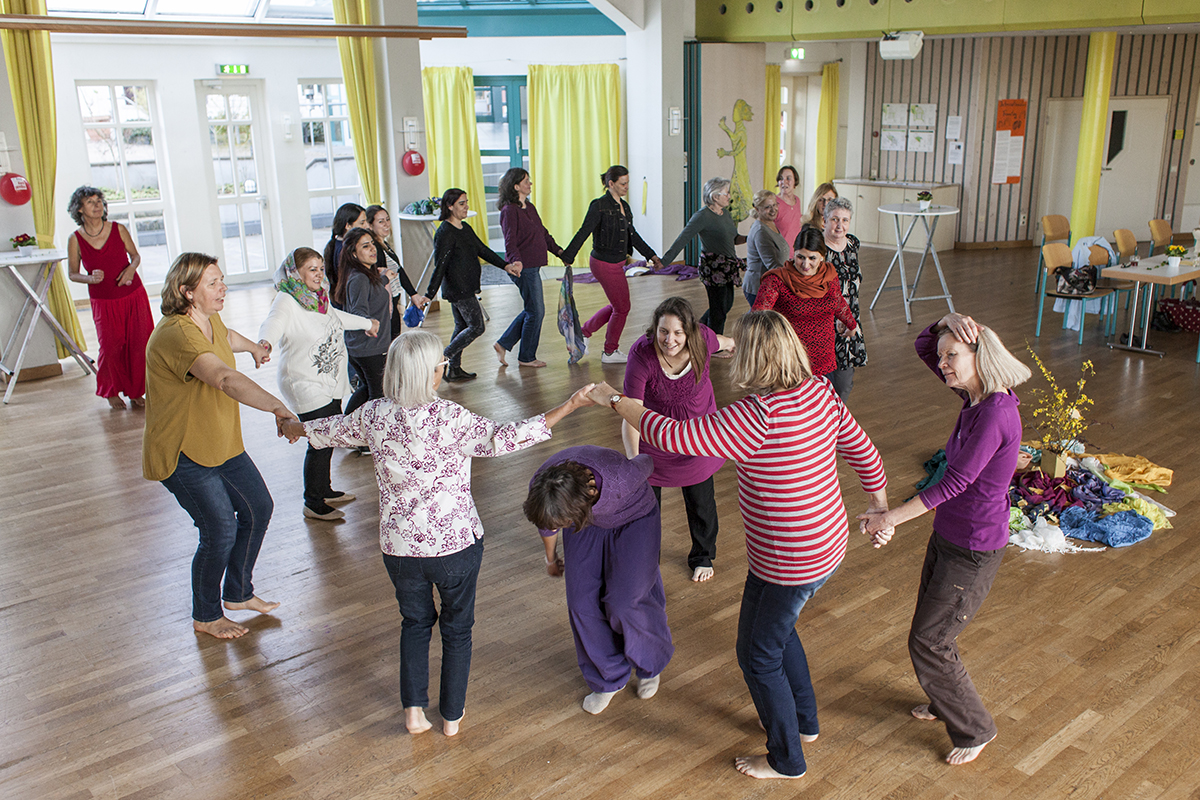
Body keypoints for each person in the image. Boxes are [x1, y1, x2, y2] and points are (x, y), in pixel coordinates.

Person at [586, 309, 889, 781]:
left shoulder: (757, 417)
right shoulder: (819, 391)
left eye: (739, 350)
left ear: (754, 357)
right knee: (778, 634)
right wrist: (880, 509)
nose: (729, 356)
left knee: (757, 656)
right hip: (825, 545)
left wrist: (612, 399)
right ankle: (804, 723)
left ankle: (787, 758)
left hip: (791, 560)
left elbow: (673, 434)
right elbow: (865, 453)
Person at [280, 330, 596, 736]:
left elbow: (330, 430)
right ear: (432, 373)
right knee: (457, 628)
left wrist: (295, 426)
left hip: (400, 550)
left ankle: (414, 712)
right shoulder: (451, 418)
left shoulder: (373, 415)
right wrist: (570, 404)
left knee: (414, 623)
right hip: (456, 548)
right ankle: (451, 717)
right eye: (441, 365)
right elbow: (505, 438)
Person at [859, 312, 1031, 767]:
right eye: (944, 358)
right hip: (950, 536)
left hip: (973, 549)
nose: (943, 365)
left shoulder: (995, 412)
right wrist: (945, 322)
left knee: (929, 640)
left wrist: (889, 517)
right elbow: (922, 345)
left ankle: (976, 728)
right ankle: (944, 699)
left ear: (978, 354)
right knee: (934, 632)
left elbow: (952, 483)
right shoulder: (973, 394)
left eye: (952, 356)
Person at [143, 253, 297, 640]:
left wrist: (253, 348)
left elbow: (225, 337)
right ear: (186, 292)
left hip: (220, 441)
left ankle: (239, 594)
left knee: (258, 507)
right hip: (183, 450)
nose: (222, 287)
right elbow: (225, 379)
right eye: (212, 283)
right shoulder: (176, 334)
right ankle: (206, 615)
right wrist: (277, 406)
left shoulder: (208, 319)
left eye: (222, 280)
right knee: (218, 529)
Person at [524, 446, 675, 715]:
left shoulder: (620, 478)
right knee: (581, 602)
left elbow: (646, 461)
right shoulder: (543, 487)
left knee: (626, 601)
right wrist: (551, 559)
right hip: (586, 521)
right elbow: (548, 524)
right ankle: (609, 678)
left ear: (590, 495)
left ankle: (649, 664)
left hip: (635, 516)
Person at [256, 247, 379, 520]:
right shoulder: (287, 300)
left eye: (321, 268)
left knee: (328, 434)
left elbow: (336, 317)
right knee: (319, 438)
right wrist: (264, 344)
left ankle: (324, 489)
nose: (319, 274)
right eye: (312, 269)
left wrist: (365, 323)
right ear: (295, 272)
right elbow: (273, 323)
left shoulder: (318, 297)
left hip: (327, 379)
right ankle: (313, 502)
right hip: (303, 380)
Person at [622, 297, 734, 582]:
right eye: (663, 331)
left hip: (698, 435)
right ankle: (646, 561)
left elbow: (725, 342)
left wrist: (735, 346)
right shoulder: (641, 356)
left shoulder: (703, 340)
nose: (669, 340)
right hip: (655, 437)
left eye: (677, 333)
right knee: (646, 506)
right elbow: (631, 412)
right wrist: (635, 462)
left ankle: (703, 555)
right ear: (654, 328)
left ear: (690, 332)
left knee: (701, 502)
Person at [561, 165, 663, 364]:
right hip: (603, 263)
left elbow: (633, 236)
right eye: (622, 183)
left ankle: (584, 333)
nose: (626, 187)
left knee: (618, 305)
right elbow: (584, 231)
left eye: (627, 183)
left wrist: (652, 256)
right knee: (622, 307)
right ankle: (609, 352)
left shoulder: (624, 206)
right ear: (611, 184)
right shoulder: (599, 205)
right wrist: (569, 255)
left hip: (616, 263)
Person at [65, 185, 155, 410]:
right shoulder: (75, 239)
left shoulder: (118, 229)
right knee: (110, 346)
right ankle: (111, 390)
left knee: (138, 343)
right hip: (103, 301)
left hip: (132, 294)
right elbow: (72, 274)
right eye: (90, 202)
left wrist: (131, 270)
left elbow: (135, 256)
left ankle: (136, 392)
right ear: (79, 210)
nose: (97, 205)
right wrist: (89, 279)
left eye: (99, 201)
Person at [425, 188, 520, 383]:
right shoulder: (445, 232)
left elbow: (482, 250)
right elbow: (440, 266)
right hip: (458, 288)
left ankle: (454, 370)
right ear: (449, 206)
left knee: (462, 326)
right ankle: (443, 359)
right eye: (461, 203)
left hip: (467, 285)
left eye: (466, 202)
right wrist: (429, 294)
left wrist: (505, 265)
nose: (466, 206)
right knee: (477, 326)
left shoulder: (465, 228)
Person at [752, 228, 857, 379]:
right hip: (790, 359)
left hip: (823, 356)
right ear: (793, 253)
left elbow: (838, 302)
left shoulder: (829, 275)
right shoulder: (776, 281)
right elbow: (757, 317)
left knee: (821, 401)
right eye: (800, 257)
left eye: (812, 258)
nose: (805, 265)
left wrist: (851, 325)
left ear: (822, 256)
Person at [494, 167, 568, 368]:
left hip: (533, 266)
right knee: (536, 311)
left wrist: (559, 252)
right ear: (516, 186)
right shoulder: (509, 211)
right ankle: (526, 356)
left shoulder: (530, 207)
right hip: (523, 268)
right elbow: (510, 241)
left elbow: (542, 233)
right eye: (526, 181)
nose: (530, 184)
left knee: (532, 310)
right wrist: (516, 261)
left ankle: (503, 344)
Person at [660, 177, 747, 335]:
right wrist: (664, 262)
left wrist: (751, 237)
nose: (729, 196)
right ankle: (714, 345)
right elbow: (683, 239)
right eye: (726, 193)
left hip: (727, 267)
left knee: (725, 305)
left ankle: (698, 329)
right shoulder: (702, 216)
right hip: (713, 268)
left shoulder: (726, 214)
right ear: (715, 196)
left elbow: (733, 239)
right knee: (718, 310)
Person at [336, 227, 394, 417]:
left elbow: (371, 292)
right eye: (365, 246)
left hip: (368, 347)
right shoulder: (359, 278)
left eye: (372, 244)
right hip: (369, 348)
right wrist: (369, 324)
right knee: (379, 395)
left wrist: (385, 277)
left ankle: (346, 429)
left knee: (367, 390)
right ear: (353, 254)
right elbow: (358, 312)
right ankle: (366, 436)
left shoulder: (366, 275)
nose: (373, 249)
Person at [823, 197, 866, 400]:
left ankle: (836, 424)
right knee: (821, 381)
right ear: (824, 221)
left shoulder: (852, 244)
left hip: (850, 319)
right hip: (824, 322)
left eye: (845, 220)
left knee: (843, 384)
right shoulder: (817, 250)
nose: (840, 225)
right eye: (834, 219)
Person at [366, 204, 428, 341]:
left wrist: (413, 294)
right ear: (370, 226)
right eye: (380, 221)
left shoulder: (384, 245)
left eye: (387, 219)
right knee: (391, 342)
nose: (386, 224)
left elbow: (399, 270)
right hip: (385, 306)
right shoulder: (375, 248)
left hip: (393, 302)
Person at [744, 190, 789, 307]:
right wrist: (793, 278)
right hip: (758, 287)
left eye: (775, 205)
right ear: (757, 209)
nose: (773, 210)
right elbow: (772, 264)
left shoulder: (770, 223)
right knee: (760, 322)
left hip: (769, 285)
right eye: (768, 207)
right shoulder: (761, 231)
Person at [323, 202, 367, 306]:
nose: (366, 226)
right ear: (347, 225)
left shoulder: (338, 244)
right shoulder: (344, 249)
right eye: (362, 223)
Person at [774, 166, 806, 250]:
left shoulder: (797, 200)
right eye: (781, 178)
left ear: (795, 182)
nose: (784, 182)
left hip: (796, 251)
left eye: (788, 178)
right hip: (779, 252)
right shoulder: (774, 202)